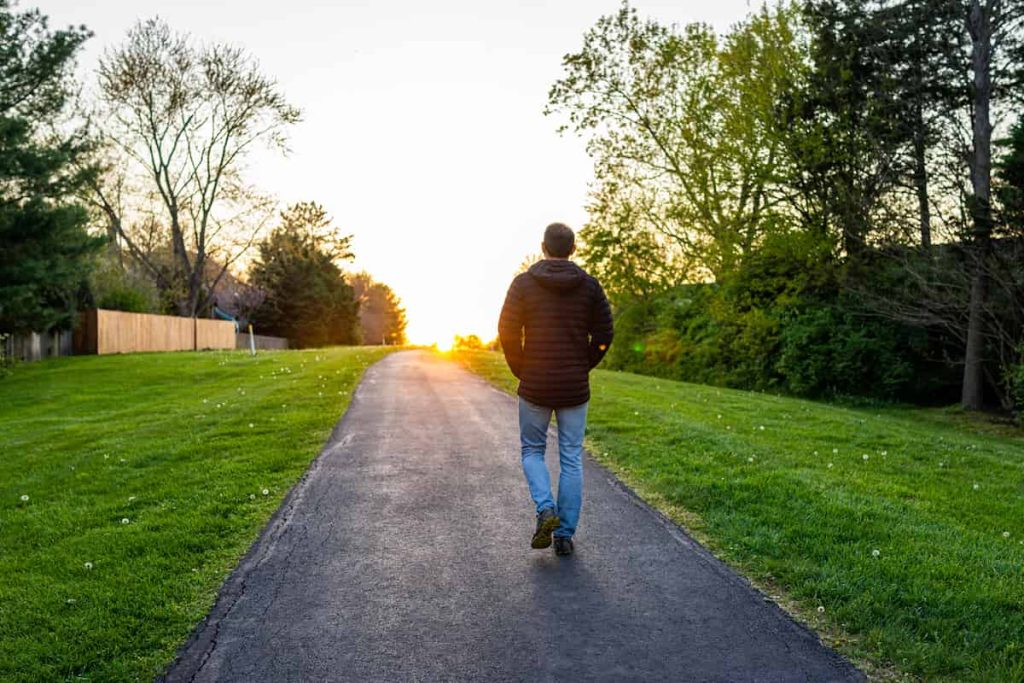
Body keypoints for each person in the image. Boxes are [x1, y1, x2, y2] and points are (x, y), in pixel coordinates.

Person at [498, 222, 613, 556]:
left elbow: (506, 331)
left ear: (544, 247)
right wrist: (584, 364)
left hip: (535, 383)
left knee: (532, 450)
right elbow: (605, 334)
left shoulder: (523, 284)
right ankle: (563, 535)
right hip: (574, 387)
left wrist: (521, 368)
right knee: (571, 458)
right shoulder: (590, 286)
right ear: (572, 249)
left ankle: (544, 508)